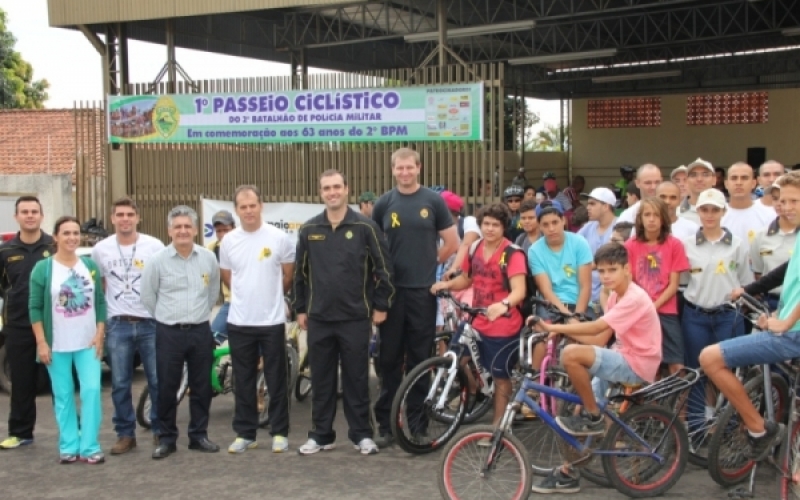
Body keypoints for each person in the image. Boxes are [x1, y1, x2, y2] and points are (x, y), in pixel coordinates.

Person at [530, 243, 661, 494]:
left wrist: (553, 329)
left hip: (637, 364)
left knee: (571, 358)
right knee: (577, 405)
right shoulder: (614, 296)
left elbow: (595, 328)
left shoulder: (633, 297)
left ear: (627, 269)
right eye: (601, 272)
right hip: (620, 356)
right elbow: (601, 340)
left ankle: (595, 416)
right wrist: (571, 340)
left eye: (612, 270)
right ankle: (570, 471)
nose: (606, 276)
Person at [699, 171, 800, 462]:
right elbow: (786, 272)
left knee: (710, 358)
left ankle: (759, 429)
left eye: (795, 200)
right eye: (783, 200)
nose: (787, 206)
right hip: (784, 325)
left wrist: (786, 321)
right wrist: (753, 292)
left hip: (792, 333)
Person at [294, 170, 393, 456]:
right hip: (319, 319)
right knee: (321, 380)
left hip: (355, 318)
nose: (332, 192)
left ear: (347, 189)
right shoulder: (308, 230)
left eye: (337, 186)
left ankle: (362, 434)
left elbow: (384, 269)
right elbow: (301, 273)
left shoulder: (366, 227)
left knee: (357, 379)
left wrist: (381, 305)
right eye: (327, 188)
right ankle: (320, 435)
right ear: (320, 192)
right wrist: (300, 308)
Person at [371, 147, 458, 447]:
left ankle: (417, 424)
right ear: (393, 169)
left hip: (423, 293)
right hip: (392, 294)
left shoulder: (433, 201)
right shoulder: (384, 203)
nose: (405, 172)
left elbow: (452, 241)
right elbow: (375, 247)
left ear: (419, 168)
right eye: (400, 168)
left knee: (420, 361)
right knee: (389, 360)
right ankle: (386, 425)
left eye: (410, 167)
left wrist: (431, 262)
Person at [431, 203, 526, 426]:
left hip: (503, 324)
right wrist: (447, 285)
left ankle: (499, 427)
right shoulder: (474, 249)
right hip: (476, 319)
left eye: (496, 224)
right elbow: (467, 279)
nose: (490, 228)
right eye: (486, 224)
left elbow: (519, 291)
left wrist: (503, 304)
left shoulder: (512, 254)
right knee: (455, 359)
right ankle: (470, 394)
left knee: (501, 377)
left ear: (504, 227)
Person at [219, 185, 295, 454]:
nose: (249, 211)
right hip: (240, 321)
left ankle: (280, 432)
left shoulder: (279, 238)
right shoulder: (228, 241)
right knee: (243, 380)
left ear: (261, 205)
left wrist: (271, 298)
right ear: (236, 210)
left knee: (276, 378)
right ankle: (245, 433)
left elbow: (287, 276)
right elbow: (228, 276)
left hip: (272, 321)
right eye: (243, 207)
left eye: (253, 205)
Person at [142, 205, 221, 459]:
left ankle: (198, 436)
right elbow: (147, 297)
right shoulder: (157, 261)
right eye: (178, 227)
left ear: (196, 230)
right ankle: (167, 439)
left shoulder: (208, 259)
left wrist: (197, 316)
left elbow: (212, 293)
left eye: (188, 226)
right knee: (167, 387)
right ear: (169, 231)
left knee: (201, 387)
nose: (183, 231)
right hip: (169, 333)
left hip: (200, 331)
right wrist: (168, 319)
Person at [29, 216, 107, 464]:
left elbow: (100, 302)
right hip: (57, 344)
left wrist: (100, 333)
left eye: (75, 233)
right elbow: (35, 307)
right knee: (63, 395)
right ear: (55, 237)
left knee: (92, 391)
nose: (72, 237)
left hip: (88, 343)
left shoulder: (89, 265)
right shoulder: (43, 269)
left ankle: (90, 446)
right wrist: (42, 342)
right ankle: (69, 445)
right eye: (66, 233)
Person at [91, 197, 165, 454]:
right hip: (117, 324)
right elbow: (100, 287)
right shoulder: (100, 249)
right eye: (120, 214)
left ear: (137, 218)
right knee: (120, 382)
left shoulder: (154, 245)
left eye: (129, 214)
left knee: (157, 380)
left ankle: (159, 430)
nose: (125, 219)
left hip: (150, 323)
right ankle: (125, 434)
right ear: (112, 219)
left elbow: (162, 281)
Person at [681, 189, 752, 433]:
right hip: (695, 315)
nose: (709, 215)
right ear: (698, 211)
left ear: (723, 212)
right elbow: (681, 282)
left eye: (715, 210)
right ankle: (696, 426)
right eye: (704, 209)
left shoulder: (738, 245)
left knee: (728, 371)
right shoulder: (687, 245)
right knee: (696, 371)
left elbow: (744, 281)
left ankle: (728, 427)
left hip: (727, 316)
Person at [0, 196, 54, 450]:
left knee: (60, 382)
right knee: (21, 383)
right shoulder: (5, 252)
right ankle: (21, 433)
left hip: (54, 327)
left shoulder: (54, 247)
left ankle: (72, 431)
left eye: (34, 211)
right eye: (25, 212)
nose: (30, 215)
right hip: (19, 327)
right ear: (16, 217)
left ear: (42, 216)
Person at [624, 197, 689, 374]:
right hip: (638, 311)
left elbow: (673, 285)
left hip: (666, 311)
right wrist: (643, 307)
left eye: (656, 215)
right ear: (640, 218)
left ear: (663, 219)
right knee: (644, 365)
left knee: (676, 363)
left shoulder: (674, 245)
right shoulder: (630, 245)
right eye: (647, 214)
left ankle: (678, 401)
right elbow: (628, 282)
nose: (651, 219)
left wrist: (653, 306)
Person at [750, 177, 796, 311]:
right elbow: (758, 273)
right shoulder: (760, 236)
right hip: (771, 301)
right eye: (776, 199)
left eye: (787, 199)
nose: (780, 203)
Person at [578, 187, 618, 313]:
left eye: (592, 204)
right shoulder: (588, 227)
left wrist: (583, 267)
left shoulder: (619, 228)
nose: (587, 207)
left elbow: (610, 260)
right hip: (586, 295)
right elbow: (571, 247)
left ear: (606, 206)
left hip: (611, 296)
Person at [721, 162, 776, 252]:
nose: (739, 183)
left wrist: (757, 257)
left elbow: (772, 251)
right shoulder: (715, 215)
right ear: (726, 184)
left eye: (744, 178)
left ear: (753, 183)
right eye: (734, 178)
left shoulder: (769, 215)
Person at [207, 210, 235, 343]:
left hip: (252, 304)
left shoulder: (244, 245)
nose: (223, 235)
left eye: (226, 230)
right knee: (211, 339)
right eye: (219, 231)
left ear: (234, 228)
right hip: (231, 302)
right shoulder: (211, 249)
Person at [679, 158, 717, 224]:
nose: (699, 179)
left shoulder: (726, 212)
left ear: (714, 180)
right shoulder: (677, 214)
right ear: (687, 180)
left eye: (705, 174)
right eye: (693, 175)